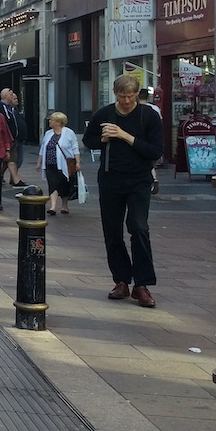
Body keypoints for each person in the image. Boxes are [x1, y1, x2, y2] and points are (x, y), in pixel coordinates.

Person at [82, 75, 163, 308]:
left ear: (137, 94)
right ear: (115, 94)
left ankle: (142, 284)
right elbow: (89, 141)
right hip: (110, 179)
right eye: (122, 96)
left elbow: (155, 151)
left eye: (131, 96)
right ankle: (121, 280)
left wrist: (126, 136)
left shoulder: (149, 116)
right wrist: (103, 138)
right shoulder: (104, 114)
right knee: (112, 232)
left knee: (139, 227)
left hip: (139, 180)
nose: (127, 100)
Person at [35, 111, 79, 216]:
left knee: (64, 185)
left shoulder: (69, 133)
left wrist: (77, 162)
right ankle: (53, 207)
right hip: (50, 164)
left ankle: (64, 205)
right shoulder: (48, 133)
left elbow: (75, 147)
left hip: (65, 164)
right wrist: (39, 162)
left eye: (52, 120)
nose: (49, 121)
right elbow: (43, 148)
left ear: (59, 122)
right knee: (53, 184)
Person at [0, 88, 26, 187]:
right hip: (5, 140)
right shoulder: (0, 108)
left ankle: (15, 180)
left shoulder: (12, 108)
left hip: (14, 138)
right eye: (10, 94)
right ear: (5, 96)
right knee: (4, 160)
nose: (12, 96)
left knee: (12, 160)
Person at [137, 88, 162, 195]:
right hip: (151, 140)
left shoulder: (135, 109)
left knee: (145, 162)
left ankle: (150, 180)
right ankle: (154, 179)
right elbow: (159, 124)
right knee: (152, 162)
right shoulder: (155, 108)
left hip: (139, 140)